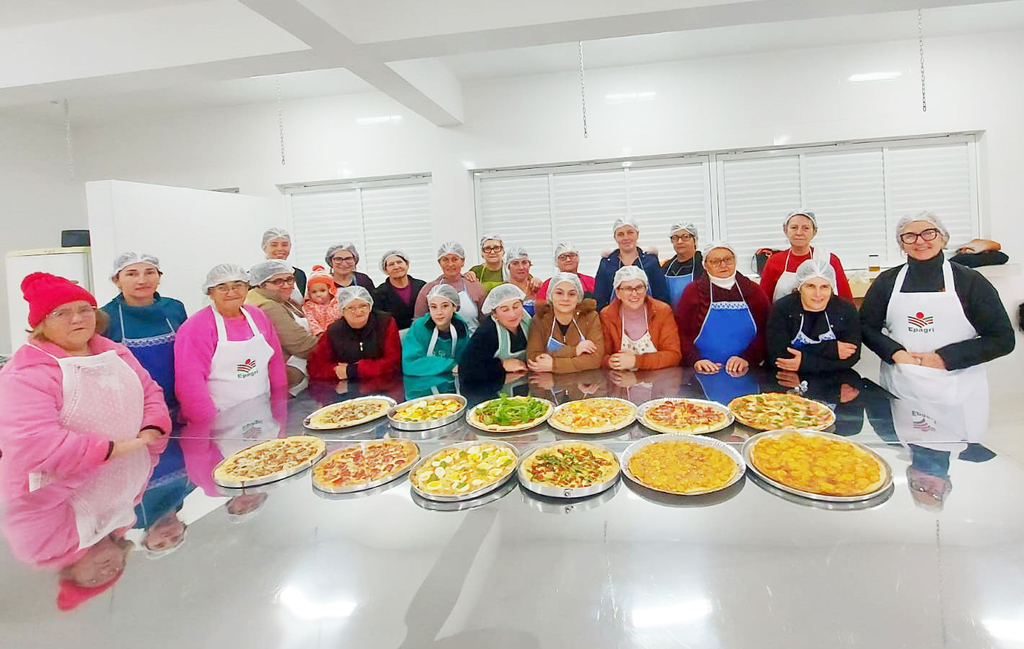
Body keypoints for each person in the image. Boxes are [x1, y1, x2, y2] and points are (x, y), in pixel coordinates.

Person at [0, 273, 170, 583]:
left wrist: (153, 427)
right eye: (61, 313)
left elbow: (150, 393)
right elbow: (32, 442)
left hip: (120, 478)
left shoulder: (115, 353)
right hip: (52, 494)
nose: (77, 318)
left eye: (85, 309)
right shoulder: (25, 373)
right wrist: (110, 450)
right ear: (40, 323)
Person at [861, 211, 1014, 404]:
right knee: (904, 433)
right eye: (910, 236)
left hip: (959, 389)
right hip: (902, 386)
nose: (920, 241)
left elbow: (1002, 339)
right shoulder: (886, 281)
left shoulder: (970, 282)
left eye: (929, 233)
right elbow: (865, 327)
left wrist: (945, 358)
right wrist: (896, 353)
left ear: (943, 238)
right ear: (901, 245)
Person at [174, 264, 289, 424]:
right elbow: (190, 383)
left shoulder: (257, 316)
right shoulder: (195, 327)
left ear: (247, 287)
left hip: (263, 412)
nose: (232, 292)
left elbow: (275, 363)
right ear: (210, 292)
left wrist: (280, 408)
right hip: (221, 421)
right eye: (222, 287)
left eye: (238, 285)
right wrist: (206, 426)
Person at [100, 252, 188, 414]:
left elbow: (189, 356)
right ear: (116, 280)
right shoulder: (105, 317)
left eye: (149, 272)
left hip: (178, 405)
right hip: (131, 410)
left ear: (159, 277)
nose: (142, 280)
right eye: (132, 274)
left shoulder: (175, 308)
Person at [675, 242, 771, 374]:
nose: (723, 265)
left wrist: (748, 358)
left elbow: (767, 329)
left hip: (747, 370)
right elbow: (681, 332)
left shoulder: (753, 290)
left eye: (728, 259)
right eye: (715, 261)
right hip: (704, 371)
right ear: (705, 265)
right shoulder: (693, 291)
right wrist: (695, 360)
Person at [767, 258, 861, 374]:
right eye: (810, 286)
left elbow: (852, 357)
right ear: (800, 287)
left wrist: (805, 362)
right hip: (788, 378)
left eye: (824, 287)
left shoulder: (846, 310)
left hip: (835, 380)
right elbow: (778, 357)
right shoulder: (782, 309)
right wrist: (832, 349)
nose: (817, 294)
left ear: (831, 289)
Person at [245, 260, 320, 388]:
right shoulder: (267, 307)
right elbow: (303, 346)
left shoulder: (281, 299)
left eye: (289, 279)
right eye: (277, 281)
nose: (286, 285)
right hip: (291, 377)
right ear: (261, 284)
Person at [307, 286, 402, 381]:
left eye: (363, 306)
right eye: (350, 308)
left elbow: (394, 362)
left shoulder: (385, 323)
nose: (358, 312)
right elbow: (315, 366)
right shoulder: (334, 331)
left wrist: (354, 370)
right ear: (342, 311)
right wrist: (336, 370)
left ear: (370, 307)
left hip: (386, 382)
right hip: (345, 387)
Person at [758, 210, 853, 302]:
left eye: (806, 228)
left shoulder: (829, 260)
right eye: (794, 227)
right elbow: (763, 301)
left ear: (814, 232)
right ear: (785, 230)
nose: (799, 233)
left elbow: (845, 299)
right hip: (785, 317)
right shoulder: (774, 262)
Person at [599, 266, 681, 371]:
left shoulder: (662, 311)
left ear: (646, 289)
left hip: (659, 382)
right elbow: (601, 356)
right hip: (622, 382)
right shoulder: (607, 315)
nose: (634, 294)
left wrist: (636, 361)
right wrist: (610, 361)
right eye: (628, 288)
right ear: (618, 293)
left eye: (639, 287)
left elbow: (673, 355)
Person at [526, 272, 604, 374]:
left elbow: (595, 359)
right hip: (548, 385)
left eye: (571, 294)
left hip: (584, 385)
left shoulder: (590, 317)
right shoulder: (540, 320)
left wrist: (554, 365)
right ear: (550, 295)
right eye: (559, 293)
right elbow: (534, 359)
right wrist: (574, 351)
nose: (565, 299)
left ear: (579, 297)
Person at [460, 284, 532, 384]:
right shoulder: (487, 332)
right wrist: (501, 365)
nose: (512, 314)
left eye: (516, 306)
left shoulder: (529, 322)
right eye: (505, 309)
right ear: (494, 313)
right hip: (496, 390)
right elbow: (467, 369)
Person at [594, 218, 670, 310]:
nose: (626, 237)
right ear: (615, 238)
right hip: (615, 320)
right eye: (620, 234)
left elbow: (662, 297)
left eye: (630, 232)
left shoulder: (651, 261)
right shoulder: (606, 264)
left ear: (637, 234)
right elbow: (599, 300)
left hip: (649, 318)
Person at [413, 242, 487, 333]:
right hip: (440, 344)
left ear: (463, 262)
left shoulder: (475, 287)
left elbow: (486, 321)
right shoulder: (428, 289)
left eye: (455, 259)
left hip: (472, 342)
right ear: (439, 263)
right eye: (445, 260)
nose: (450, 264)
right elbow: (418, 323)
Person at [402, 284, 470, 376]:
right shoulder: (419, 327)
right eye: (433, 307)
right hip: (420, 384)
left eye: (445, 306)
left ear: (454, 307)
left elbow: (465, 361)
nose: (439, 312)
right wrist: (449, 365)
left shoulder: (461, 328)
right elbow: (409, 365)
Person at [374, 249, 426, 331]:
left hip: (422, 334)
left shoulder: (422, 286)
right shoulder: (379, 294)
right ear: (385, 270)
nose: (396, 267)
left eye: (399, 262)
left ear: (407, 264)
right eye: (391, 264)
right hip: (395, 337)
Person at [661, 222, 704, 310]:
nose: (680, 241)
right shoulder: (666, 268)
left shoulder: (704, 264)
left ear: (695, 240)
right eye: (675, 238)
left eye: (685, 237)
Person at [261, 228, 306, 299]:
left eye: (284, 245)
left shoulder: (299, 274)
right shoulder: (254, 276)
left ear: (290, 246)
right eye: (274, 245)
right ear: (264, 247)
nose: (280, 249)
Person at [301, 265, 340, 335]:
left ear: (330, 290)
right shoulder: (309, 307)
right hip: (318, 337)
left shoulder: (337, 303)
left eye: (322, 290)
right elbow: (311, 321)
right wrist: (319, 333)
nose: (318, 294)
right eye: (314, 292)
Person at [503, 246, 539, 314]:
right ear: (508, 266)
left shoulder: (537, 287)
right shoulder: (502, 290)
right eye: (515, 263)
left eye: (524, 262)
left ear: (530, 264)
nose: (521, 267)